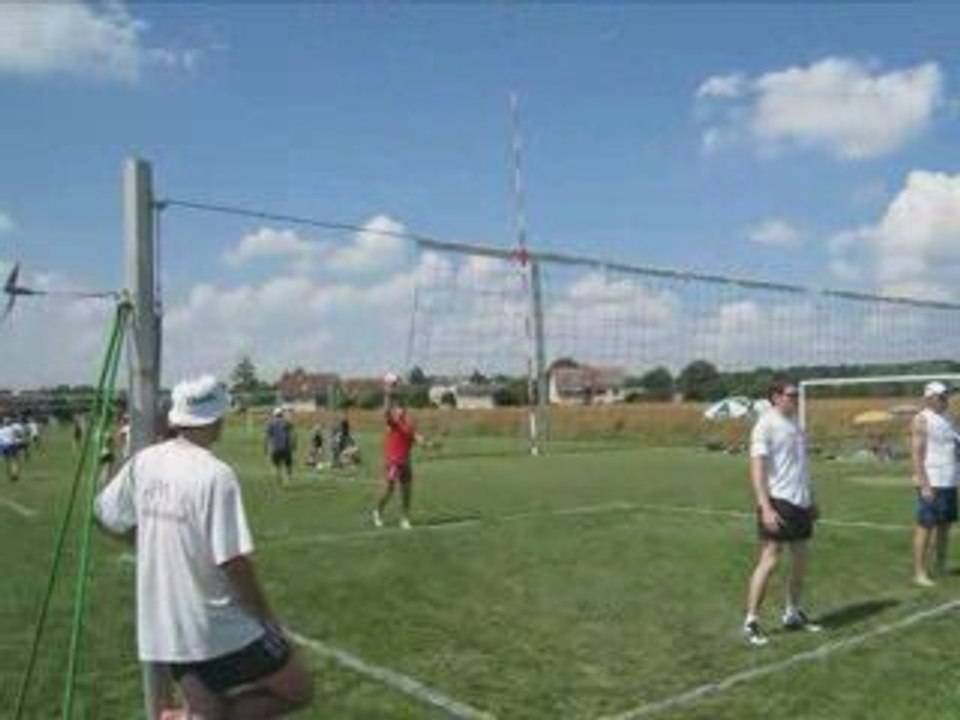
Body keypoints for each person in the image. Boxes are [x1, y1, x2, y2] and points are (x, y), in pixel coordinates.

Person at [94, 375, 314, 718]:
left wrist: (146, 542)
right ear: (213, 418)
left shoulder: (144, 461)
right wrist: (269, 620)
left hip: (164, 628)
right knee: (299, 689)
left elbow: (104, 515)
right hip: (216, 626)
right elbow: (233, 562)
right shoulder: (215, 474)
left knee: (205, 711)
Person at [742, 378, 821, 646]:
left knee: (800, 561)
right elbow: (757, 468)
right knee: (770, 560)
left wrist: (812, 499)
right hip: (777, 501)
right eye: (790, 394)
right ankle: (752, 620)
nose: (795, 398)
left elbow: (802, 466)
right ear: (775, 397)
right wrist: (765, 507)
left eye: (797, 394)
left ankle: (792, 612)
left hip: (800, 502)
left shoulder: (797, 425)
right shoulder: (765, 425)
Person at [911, 380, 959, 586]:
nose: (945, 399)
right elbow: (916, 454)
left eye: (946, 396)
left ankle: (941, 565)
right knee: (925, 527)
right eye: (941, 396)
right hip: (933, 481)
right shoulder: (922, 419)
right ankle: (919, 572)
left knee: (945, 526)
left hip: (950, 481)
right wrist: (924, 484)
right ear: (929, 398)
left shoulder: (949, 419)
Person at [372, 383, 426, 530]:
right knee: (389, 489)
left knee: (407, 492)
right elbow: (385, 413)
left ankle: (405, 519)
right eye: (398, 408)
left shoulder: (409, 425)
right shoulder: (392, 423)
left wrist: (428, 443)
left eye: (402, 407)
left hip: (406, 462)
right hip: (393, 462)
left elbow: (416, 438)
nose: (400, 410)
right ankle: (377, 511)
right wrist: (388, 395)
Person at [264, 408, 296, 487]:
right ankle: (288, 481)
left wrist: (266, 448)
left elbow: (267, 437)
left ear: (274, 415)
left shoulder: (270, 423)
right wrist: (294, 445)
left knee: (276, 466)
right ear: (282, 414)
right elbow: (293, 434)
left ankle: (279, 479)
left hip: (275, 448)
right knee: (288, 465)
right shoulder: (286, 422)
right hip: (286, 448)